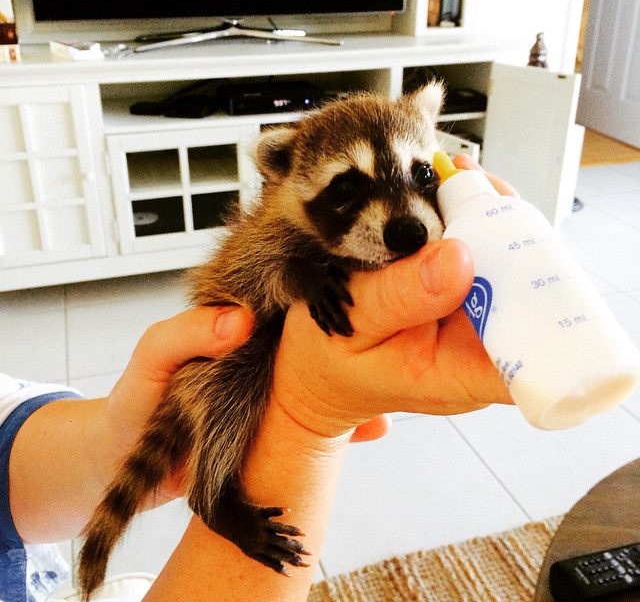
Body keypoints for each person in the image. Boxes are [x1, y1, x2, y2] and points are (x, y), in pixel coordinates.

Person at [2, 155, 515, 602]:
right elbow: (261, 273)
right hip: (242, 343)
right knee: (227, 388)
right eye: (347, 187)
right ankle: (218, 501)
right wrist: (309, 411)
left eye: (420, 173)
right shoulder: (280, 230)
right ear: (285, 175)